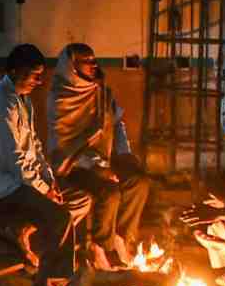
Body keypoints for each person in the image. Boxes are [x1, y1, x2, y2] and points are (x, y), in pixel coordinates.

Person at [0, 44, 92, 286]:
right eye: (34, 75)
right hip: (5, 187)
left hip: (25, 182)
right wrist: (44, 191)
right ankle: (43, 284)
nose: (39, 81)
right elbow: (15, 161)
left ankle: (47, 261)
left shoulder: (23, 100)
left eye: (41, 75)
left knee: (79, 200)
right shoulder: (1, 104)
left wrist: (49, 181)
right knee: (60, 217)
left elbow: (35, 147)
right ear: (15, 71)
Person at [47, 44, 151, 270]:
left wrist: (125, 154)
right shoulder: (61, 98)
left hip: (103, 160)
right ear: (72, 66)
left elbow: (117, 124)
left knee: (139, 182)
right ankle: (100, 246)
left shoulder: (101, 92)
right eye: (86, 61)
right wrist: (95, 168)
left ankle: (121, 237)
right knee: (110, 192)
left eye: (94, 60)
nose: (93, 65)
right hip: (72, 166)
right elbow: (63, 147)